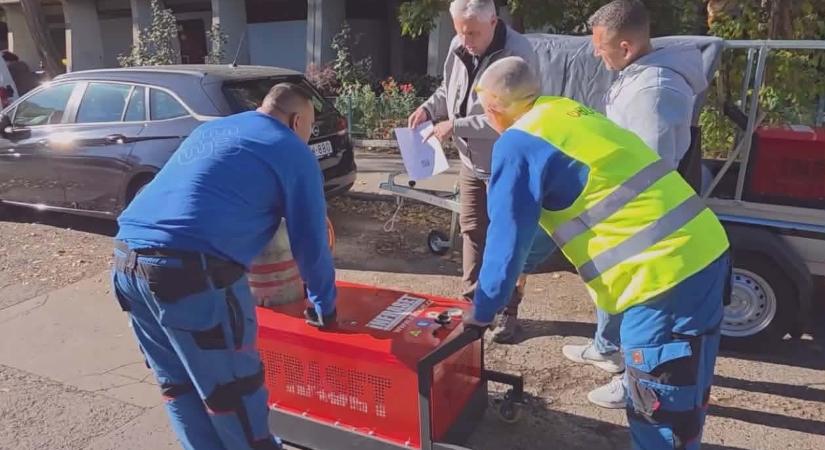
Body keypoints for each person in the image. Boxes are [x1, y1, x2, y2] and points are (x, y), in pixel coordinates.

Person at [465, 56, 730, 450]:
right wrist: (522, 268)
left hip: (661, 277)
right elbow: (547, 221)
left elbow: (506, 237)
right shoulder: (565, 112)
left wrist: (482, 310)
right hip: (706, 249)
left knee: (658, 409)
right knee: (688, 393)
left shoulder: (516, 144)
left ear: (491, 108)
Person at [111, 83, 337, 450]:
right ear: (297, 121)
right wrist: (324, 305)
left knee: (179, 388)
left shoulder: (213, 129)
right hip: (191, 274)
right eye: (310, 127)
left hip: (126, 262)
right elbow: (310, 240)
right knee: (234, 395)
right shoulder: (292, 149)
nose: (308, 135)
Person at [561, 0, 713, 409]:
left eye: (601, 47)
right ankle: (607, 347)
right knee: (613, 285)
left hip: (642, 218)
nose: (597, 55)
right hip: (622, 211)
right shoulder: (637, 74)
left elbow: (651, 168)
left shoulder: (654, 90)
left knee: (641, 303)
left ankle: (635, 382)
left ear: (626, 47)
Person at [407, 0, 539, 343]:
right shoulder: (459, 44)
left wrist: (456, 125)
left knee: (508, 239)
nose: (465, 40)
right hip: (470, 162)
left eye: (473, 33)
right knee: (472, 230)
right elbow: (448, 90)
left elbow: (513, 115)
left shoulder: (519, 54)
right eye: (460, 31)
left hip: (505, 163)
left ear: (493, 22)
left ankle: (507, 311)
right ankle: (472, 301)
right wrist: (428, 109)